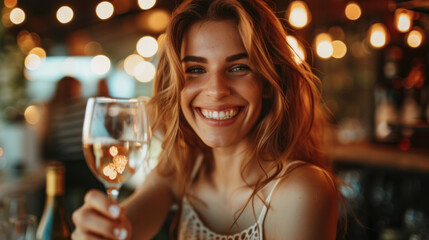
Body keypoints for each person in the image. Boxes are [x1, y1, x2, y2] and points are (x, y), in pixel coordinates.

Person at [71, 0, 342, 239]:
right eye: (196, 69)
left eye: (238, 67)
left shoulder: (301, 191)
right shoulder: (183, 168)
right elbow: (125, 228)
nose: (216, 90)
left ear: (270, 84)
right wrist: (98, 229)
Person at [41, 76, 104, 215]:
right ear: (75, 88)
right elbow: (96, 133)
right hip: (85, 163)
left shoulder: (52, 109)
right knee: (100, 192)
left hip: (64, 166)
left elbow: (47, 139)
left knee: (51, 193)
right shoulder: (84, 105)